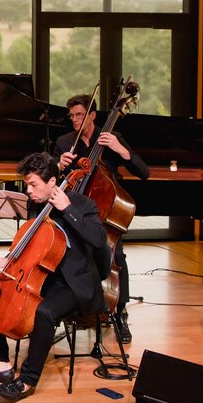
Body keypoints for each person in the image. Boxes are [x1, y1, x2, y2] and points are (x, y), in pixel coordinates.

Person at [0, 152, 107, 402]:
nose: (28, 190)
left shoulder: (83, 205)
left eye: (33, 184)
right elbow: (31, 241)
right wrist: (9, 259)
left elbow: (99, 240)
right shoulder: (36, 205)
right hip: (41, 277)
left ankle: (28, 380)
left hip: (74, 284)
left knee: (44, 312)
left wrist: (68, 209)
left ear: (53, 182)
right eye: (27, 184)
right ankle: (0, 364)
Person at [53, 93, 149, 342]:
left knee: (116, 257)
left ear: (92, 116)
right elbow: (50, 176)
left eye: (79, 115)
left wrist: (121, 150)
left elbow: (143, 171)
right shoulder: (65, 143)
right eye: (71, 115)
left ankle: (120, 314)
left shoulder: (110, 138)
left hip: (104, 211)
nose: (74, 120)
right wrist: (58, 166)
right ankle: (66, 309)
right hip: (73, 211)